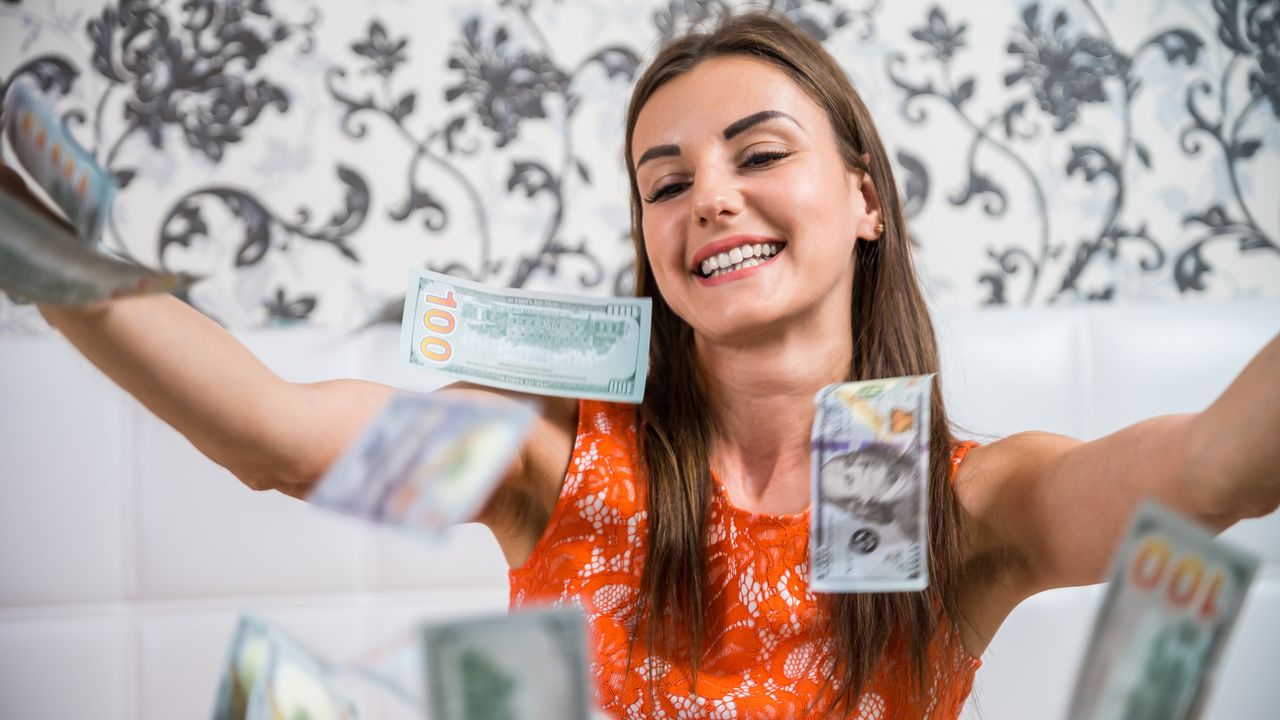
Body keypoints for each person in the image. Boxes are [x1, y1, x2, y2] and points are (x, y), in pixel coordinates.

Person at [25, 10, 1280, 720]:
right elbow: (275, 440)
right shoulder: (548, 461)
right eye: (664, 182)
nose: (709, 201)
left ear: (862, 198)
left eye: (757, 154)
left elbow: (1213, 469)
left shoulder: (964, 505)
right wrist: (53, 267)